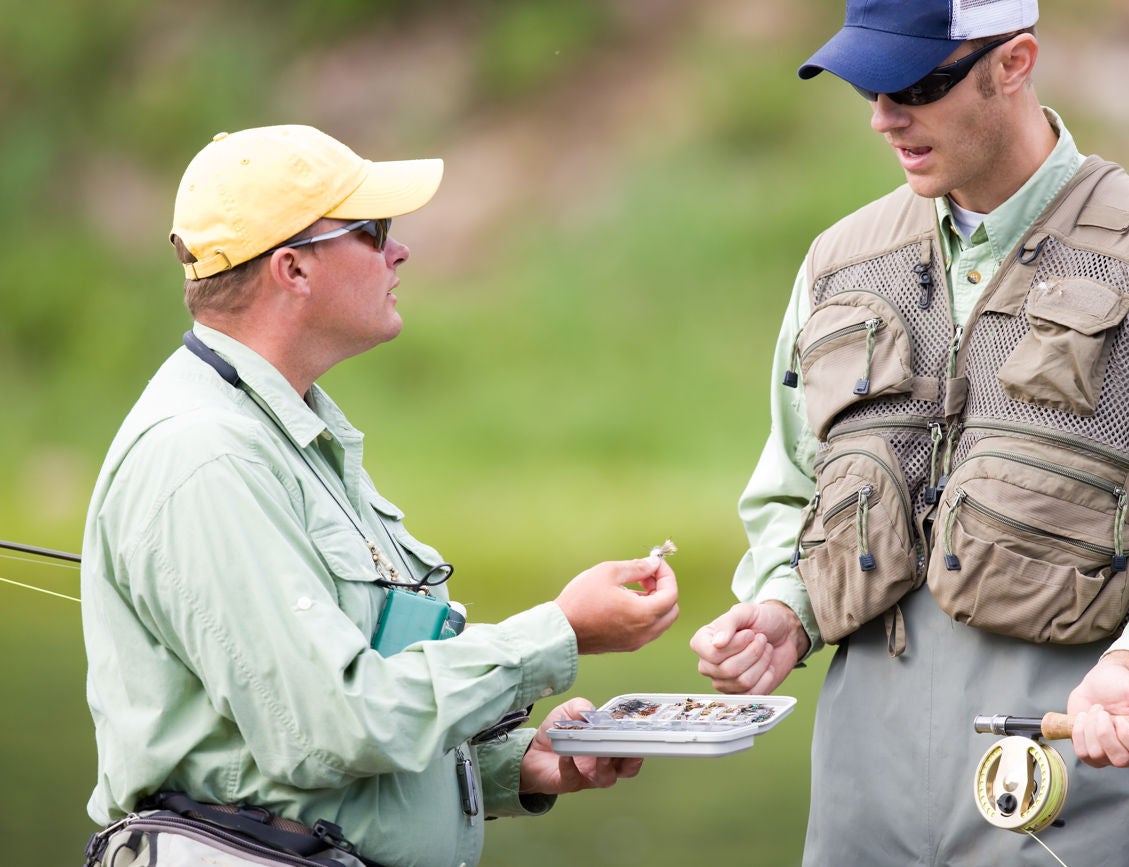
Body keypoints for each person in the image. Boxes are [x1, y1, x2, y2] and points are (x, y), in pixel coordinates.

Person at [689, 1, 1129, 864]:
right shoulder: (835, 264)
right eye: (870, 86)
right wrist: (785, 610)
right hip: (860, 813)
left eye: (917, 85)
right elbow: (791, 491)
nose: (885, 117)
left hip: (1082, 802)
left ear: (1014, 63)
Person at [80, 124, 679, 867]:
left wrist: (520, 763)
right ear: (293, 270)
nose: (401, 252)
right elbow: (325, 727)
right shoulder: (204, 455)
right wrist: (557, 632)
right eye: (375, 232)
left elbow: (304, 754)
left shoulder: (286, 434)